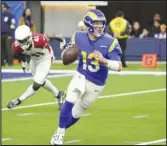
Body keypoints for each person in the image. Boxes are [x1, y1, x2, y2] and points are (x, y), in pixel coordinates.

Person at [50, 9, 122, 145]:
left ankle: (60, 130)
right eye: (96, 23)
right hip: (81, 75)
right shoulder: (78, 36)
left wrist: (104, 61)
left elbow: (119, 66)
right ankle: (59, 134)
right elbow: (69, 52)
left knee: (77, 113)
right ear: (88, 23)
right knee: (70, 99)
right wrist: (66, 52)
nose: (100, 26)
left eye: (101, 23)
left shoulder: (110, 41)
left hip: (97, 83)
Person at [6, 25, 66, 111]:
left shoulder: (39, 40)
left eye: (24, 40)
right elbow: (18, 54)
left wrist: (62, 40)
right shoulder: (16, 45)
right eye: (20, 41)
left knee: (37, 84)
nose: (22, 42)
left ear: (29, 36)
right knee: (40, 81)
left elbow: (50, 37)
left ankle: (19, 100)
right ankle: (59, 94)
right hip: (34, 59)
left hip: (45, 57)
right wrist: (24, 61)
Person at [1, 2, 16, 66]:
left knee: (8, 49)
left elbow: (12, 25)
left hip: (7, 35)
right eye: (2, 7)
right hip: (1, 34)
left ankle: (10, 62)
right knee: (1, 49)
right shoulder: (1, 15)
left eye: (4, 7)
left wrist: (10, 34)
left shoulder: (11, 16)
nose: (3, 8)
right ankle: (2, 63)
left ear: (7, 8)